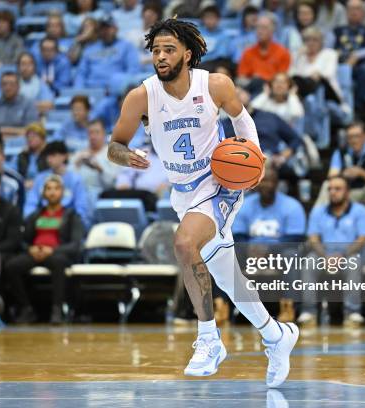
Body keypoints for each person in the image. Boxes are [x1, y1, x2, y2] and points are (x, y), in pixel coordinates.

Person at [108, 18, 300, 387]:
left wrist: (255, 160)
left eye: (168, 50)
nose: (160, 57)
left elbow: (243, 123)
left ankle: (209, 337)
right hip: (183, 193)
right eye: (155, 51)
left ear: (188, 54)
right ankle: (276, 335)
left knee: (183, 242)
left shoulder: (215, 84)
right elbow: (114, 145)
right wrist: (124, 155)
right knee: (227, 276)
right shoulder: (141, 96)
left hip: (220, 181)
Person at [5, 174, 84, 324]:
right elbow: (22, 240)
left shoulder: (72, 215)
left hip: (57, 253)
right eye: (48, 189)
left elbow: (76, 245)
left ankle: (57, 310)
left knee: (59, 263)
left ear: (63, 192)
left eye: (56, 188)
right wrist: (30, 249)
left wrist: (53, 251)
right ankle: (27, 308)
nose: (52, 192)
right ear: (43, 193)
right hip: (35, 252)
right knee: (11, 266)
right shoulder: (35, 215)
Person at [232, 165, 306, 323]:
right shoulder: (245, 204)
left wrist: (267, 250)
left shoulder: (292, 206)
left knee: (291, 255)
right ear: (257, 183)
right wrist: (250, 248)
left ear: (277, 183)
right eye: (263, 181)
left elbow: (295, 238)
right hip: (249, 252)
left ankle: (289, 306)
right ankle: (222, 305)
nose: (267, 185)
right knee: (226, 254)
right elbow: (237, 234)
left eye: (271, 181)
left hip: (278, 253)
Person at [299, 175, 365, 328]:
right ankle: (309, 312)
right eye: (330, 189)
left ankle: (352, 313)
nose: (332, 192)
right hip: (323, 255)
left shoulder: (361, 211)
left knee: (354, 262)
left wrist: (342, 255)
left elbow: (362, 238)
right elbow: (313, 238)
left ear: (347, 192)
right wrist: (326, 257)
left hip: (350, 255)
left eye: (337, 189)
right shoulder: (318, 211)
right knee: (309, 262)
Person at [223, 86, 304, 187]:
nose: (237, 97)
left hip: (272, 161)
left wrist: (283, 156)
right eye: (233, 96)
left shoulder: (269, 117)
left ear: (248, 95)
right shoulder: (224, 125)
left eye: (240, 93)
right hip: (242, 165)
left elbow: (295, 139)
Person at [315, 121, 365, 222]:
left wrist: (360, 172)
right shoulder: (340, 152)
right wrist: (343, 175)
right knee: (327, 184)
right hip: (346, 193)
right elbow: (331, 176)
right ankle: (316, 220)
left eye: (357, 136)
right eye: (350, 137)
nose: (353, 140)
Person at [331, 0, 365, 112]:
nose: (354, 12)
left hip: (362, 65)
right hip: (339, 64)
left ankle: (357, 106)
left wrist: (358, 55)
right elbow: (327, 50)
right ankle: (340, 107)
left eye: (357, 9)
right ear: (346, 12)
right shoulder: (336, 31)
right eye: (351, 9)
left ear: (363, 12)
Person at [24, 141, 91, 226]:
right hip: (43, 223)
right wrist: (32, 222)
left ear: (64, 156)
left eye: (53, 155)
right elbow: (30, 205)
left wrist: (71, 224)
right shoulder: (40, 179)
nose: (49, 159)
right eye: (48, 155)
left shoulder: (76, 180)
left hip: (67, 225)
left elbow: (81, 209)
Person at [74, 15, 140, 91]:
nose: (105, 31)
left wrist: (118, 86)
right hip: (91, 90)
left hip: (115, 91)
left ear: (116, 29)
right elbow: (81, 74)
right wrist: (79, 92)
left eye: (108, 28)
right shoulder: (90, 49)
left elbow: (133, 71)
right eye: (102, 28)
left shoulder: (127, 46)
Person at [237, 14, 292, 95]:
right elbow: (241, 78)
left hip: (274, 92)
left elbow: (282, 80)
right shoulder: (247, 52)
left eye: (264, 28)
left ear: (272, 31)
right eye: (258, 28)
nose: (260, 31)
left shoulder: (283, 52)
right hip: (251, 90)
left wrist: (261, 78)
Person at [71, 119, 120, 207]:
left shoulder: (114, 154)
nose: (93, 136)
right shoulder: (79, 154)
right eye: (90, 133)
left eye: (97, 132)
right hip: (78, 197)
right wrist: (77, 164)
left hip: (103, 198)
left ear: (104, 134)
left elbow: (114, 184)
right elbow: (69, 179)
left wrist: (99, 169)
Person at [289, 27, 343, 103]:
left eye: (315, 40)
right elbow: (292, 75)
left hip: (327, 92)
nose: (311, 43)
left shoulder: (330, 54)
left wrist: (317, 75)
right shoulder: (300, 56)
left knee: (316, 82)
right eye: (307, 40)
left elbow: (328, 73)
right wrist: (297, 57)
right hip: (304, 89)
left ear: (321, 42)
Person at [0, 72, 39, 138]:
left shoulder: (28, 104)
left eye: (12, 84)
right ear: (0, 87)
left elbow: (31, 132)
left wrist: (4, 130)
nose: (8, 88)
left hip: (22, 143)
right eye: (4, 84)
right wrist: (17, 131)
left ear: (18, 87)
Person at [12, 122, 49, 190]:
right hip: (23, 187)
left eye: (34, 136)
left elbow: (51, 175)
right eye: (28, 136)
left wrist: (36, 183)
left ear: (42, 138)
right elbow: (14, 175)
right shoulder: (21, 156)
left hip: (44, 188)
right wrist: (22, 183)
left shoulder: (49, 156)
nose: (30, 139)